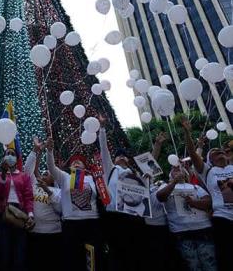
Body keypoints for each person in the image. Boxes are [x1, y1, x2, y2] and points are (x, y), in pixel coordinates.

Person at [182, 118, 233, 271]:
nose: (221, 153)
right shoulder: (208, 170)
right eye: (216, 152)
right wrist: (187, 132)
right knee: (227, 256)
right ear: (210, 159)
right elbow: (192, 153)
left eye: (222, 151)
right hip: (222, 218)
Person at [46, 138, 104, 271]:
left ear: (85, 167)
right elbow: (51, 167)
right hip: (72, 224)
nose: (76, 162)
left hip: (92, 223)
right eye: (73, 162)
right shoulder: (65, 177)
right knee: (73, 261)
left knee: (94, 261)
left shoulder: (93, 179)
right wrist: (49, 151)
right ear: (70, 167)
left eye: (79, 161)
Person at [99, 116, 145, 271]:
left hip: (135, 216)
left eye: (123, 155)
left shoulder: (135, 174)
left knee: (136, 254)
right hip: (115, 216)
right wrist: (102, 128)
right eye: (118, 155)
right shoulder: (111, 169)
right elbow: (104, 149)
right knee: (117, 254)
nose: (121, 157)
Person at [156, 165, 217, 271]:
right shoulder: (165, 186)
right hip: (181, 232)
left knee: (209, 262)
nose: (177, 170)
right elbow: (160, 197)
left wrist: (194, 203)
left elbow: (209, 202)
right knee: (191, 265)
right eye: (173, 169)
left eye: (179, 169)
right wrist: (174, 182)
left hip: (203, 229)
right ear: (170, 175)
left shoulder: (195, 187)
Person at [0, 142, 35, 271]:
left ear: (16, 159)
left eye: (12, 154)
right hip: (3, 213)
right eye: (7, 154)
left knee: (19, 253)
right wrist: (4, 175)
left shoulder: (23, 176)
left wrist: (30, 214)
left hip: (20, 213)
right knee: (4, 253)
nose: (10, 156)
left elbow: (28, 196)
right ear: (3, 157)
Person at [25, 137, 62, 271]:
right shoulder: (35, 185)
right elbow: (28, 171)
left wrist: (48, 191)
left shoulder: (58, 191)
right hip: (35, 234)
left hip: (53, 236)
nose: (45, 172)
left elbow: (59, 209)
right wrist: (36, 150)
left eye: (49, 172)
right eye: (44, 172)